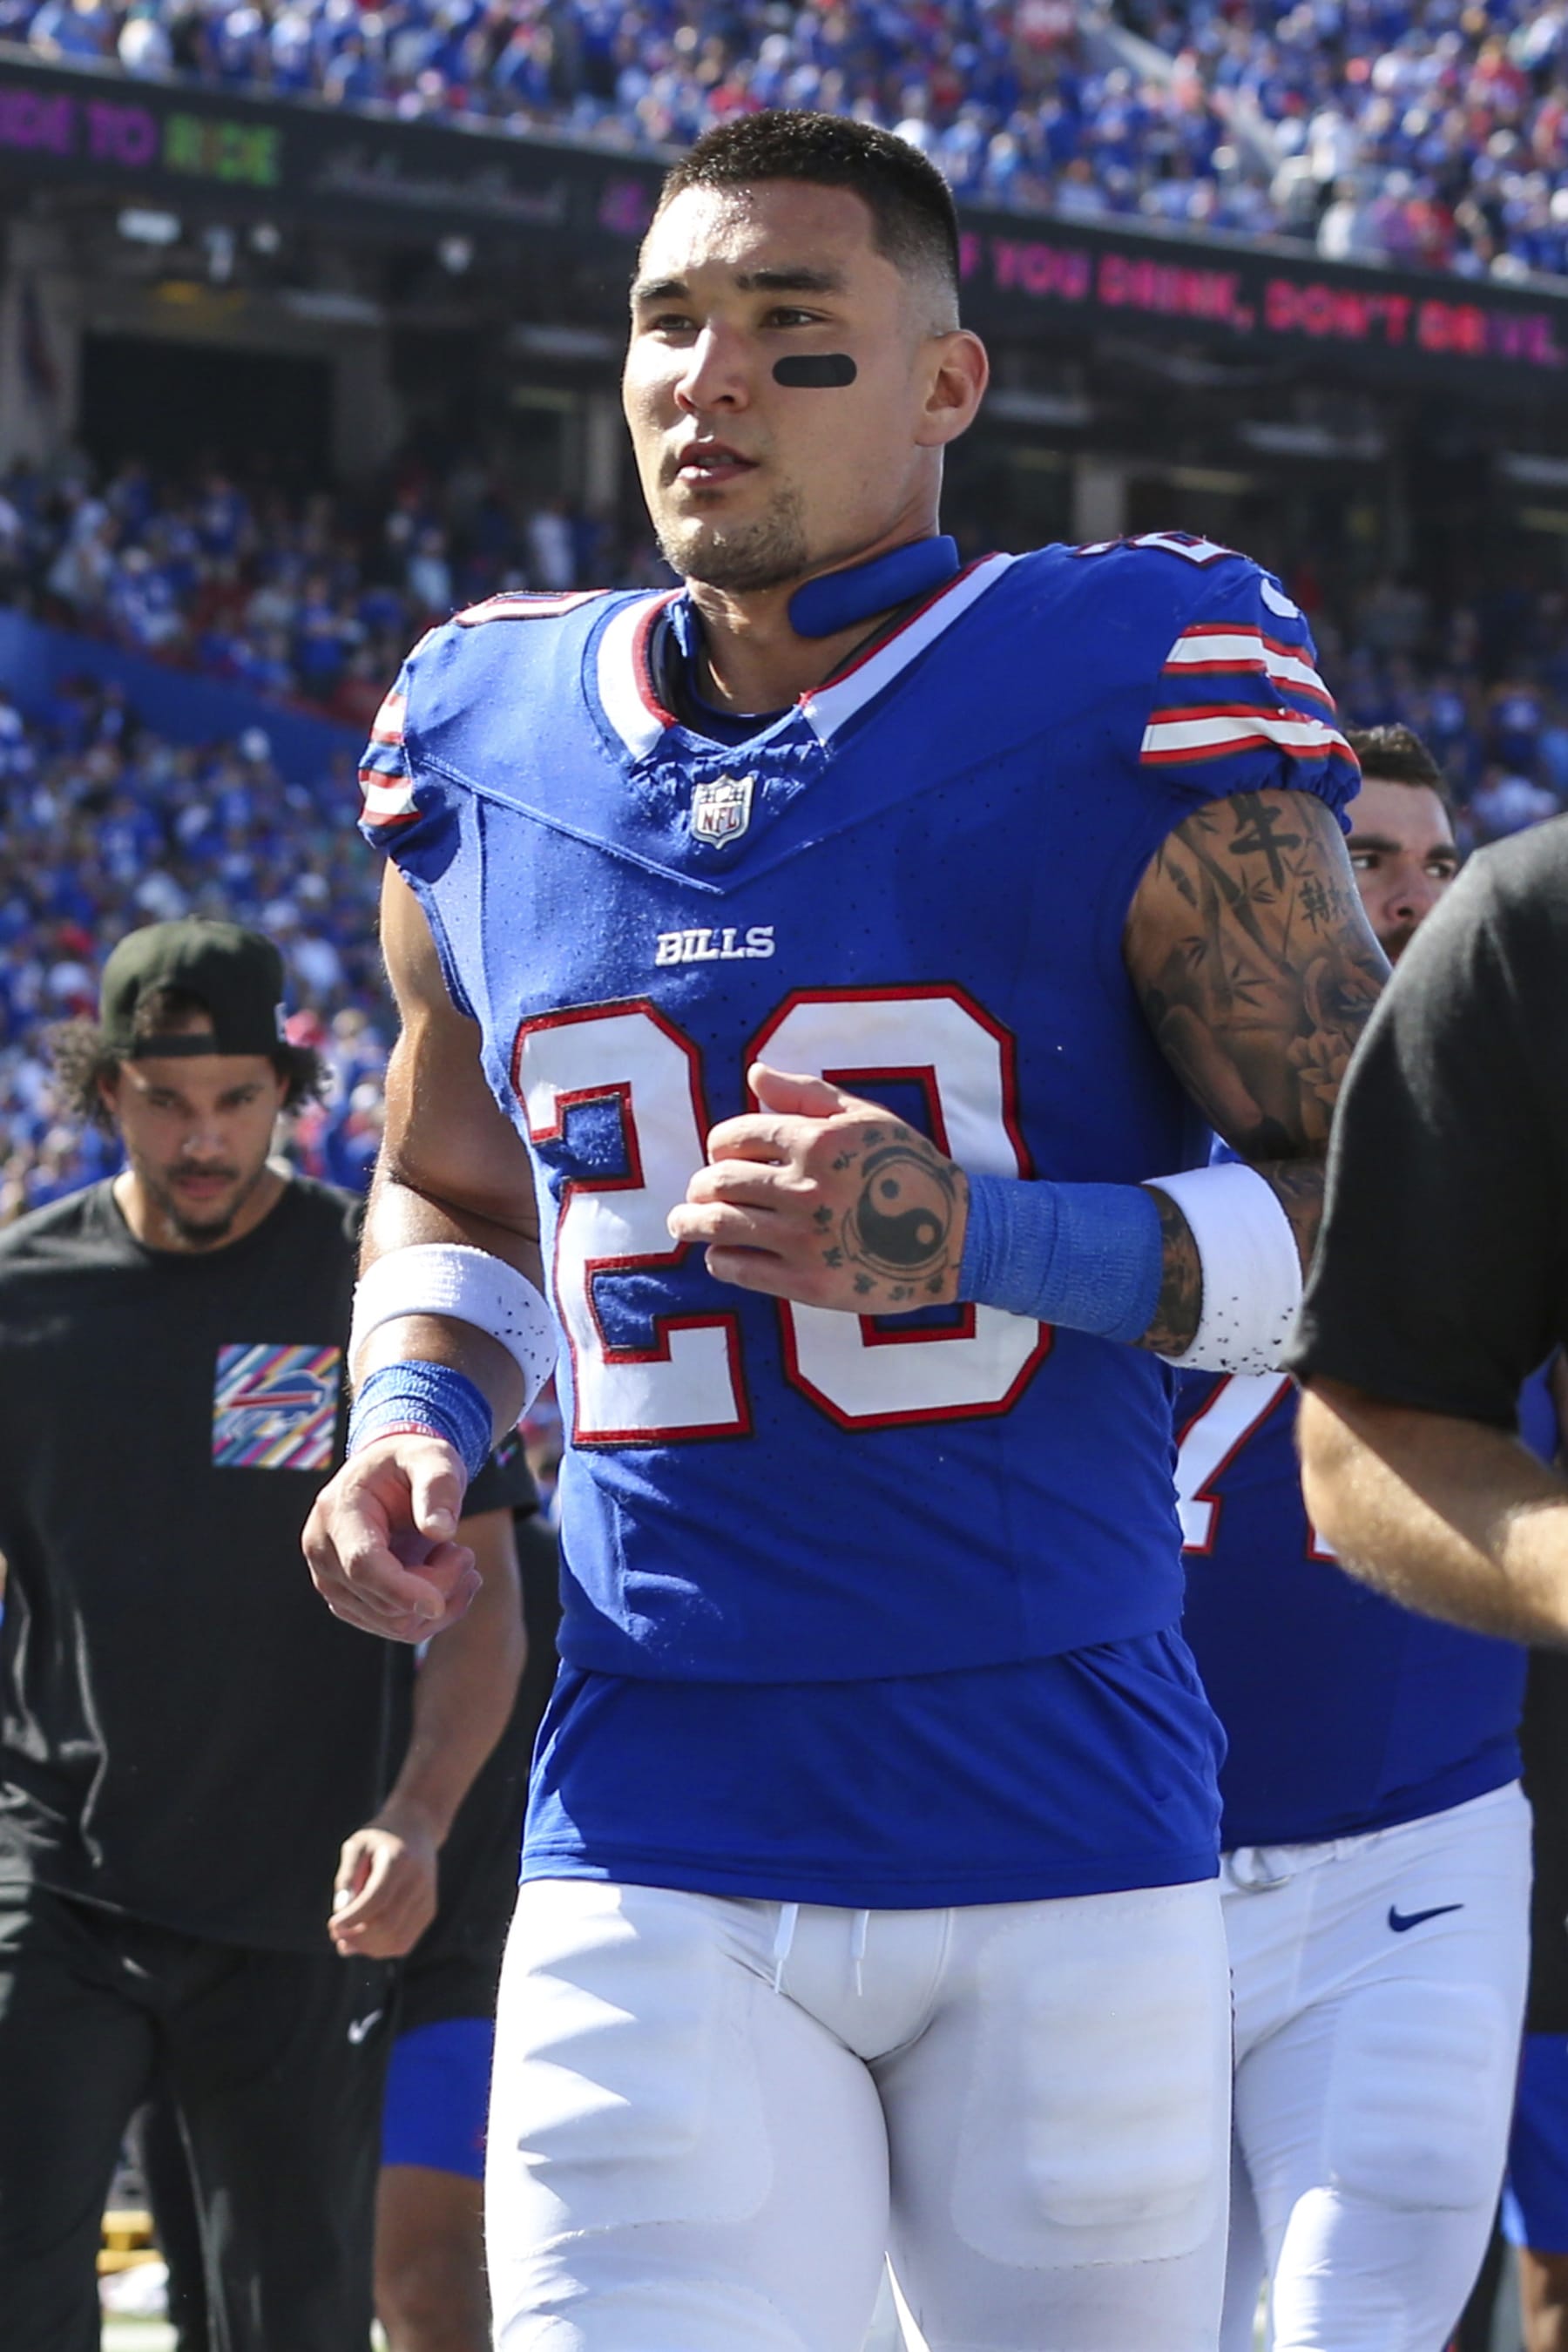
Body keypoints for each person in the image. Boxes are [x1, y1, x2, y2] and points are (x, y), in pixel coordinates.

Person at [305, 111, 1389, 2352]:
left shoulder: (1128, 675)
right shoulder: (488, 730)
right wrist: (415, 1403)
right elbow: (451, 1176)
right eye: (668, 325)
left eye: (795, 335)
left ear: (945, 387)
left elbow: (1377, 1222)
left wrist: (986, 1238)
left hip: (1057, 1793)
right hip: (650, 1784)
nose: (709, 379)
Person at [0, 916, 524, 2352]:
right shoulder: (22, 1299)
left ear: (287, 1094)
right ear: (103, 1088)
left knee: (287, 2317)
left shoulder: (378, 1295)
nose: (203, 1135)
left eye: (237, 1097)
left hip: (304, 1902)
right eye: (166, 1099)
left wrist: (419, 1820)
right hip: (62, 1874)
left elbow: (488, 1611)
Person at [1175, 723, 1537, 2351]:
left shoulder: (1517, 1119)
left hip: (1417, 1839)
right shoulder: (1106, 1113)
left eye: (1432, 866)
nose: (1403, 900)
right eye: (1361, 860)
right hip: (1103, 1857)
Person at [375, 1477, 558, 2352]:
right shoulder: (269, 1538)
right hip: (277, 1949)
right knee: (263, 2275)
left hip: (470, 1961)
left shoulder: (549, 1564)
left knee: (425, 2275)